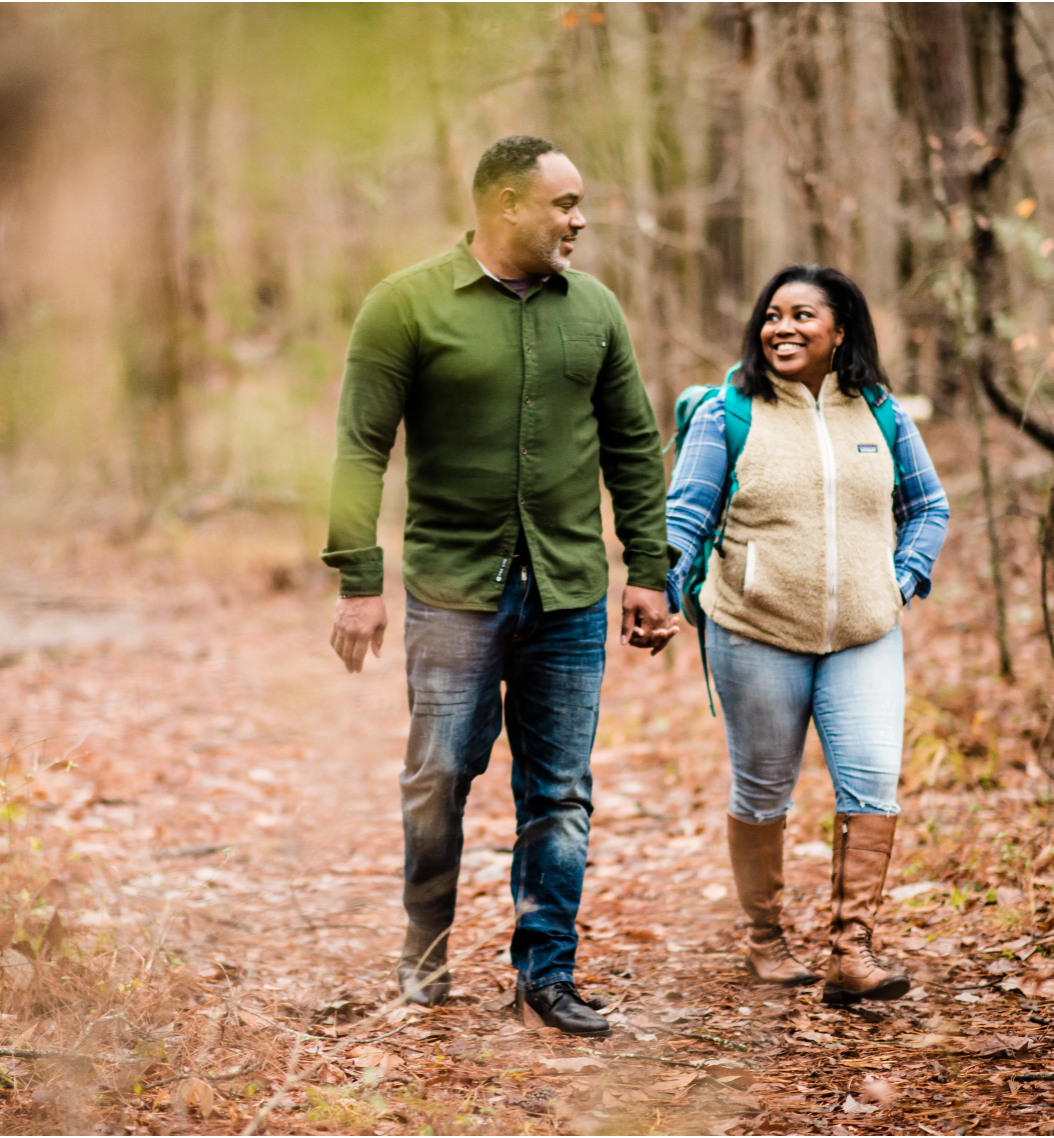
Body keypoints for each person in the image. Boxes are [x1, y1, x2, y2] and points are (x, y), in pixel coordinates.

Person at [321, 135, 677, 1036]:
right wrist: (359, 580)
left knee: (558, 792)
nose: (580, 220)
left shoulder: (594, 309)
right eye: (565, 204)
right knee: (438, 777)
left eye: (580, 203)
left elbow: (635, 446)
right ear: (507, 205)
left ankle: (546, 974)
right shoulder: (404, 306)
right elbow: (362, 448)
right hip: (454, 593)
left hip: (568, 593)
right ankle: (426, 949)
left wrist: (649, 571)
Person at [663, 265, 949, 1005]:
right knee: (762, 792)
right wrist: (663, 590)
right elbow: (684, 516)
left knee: (872, 783)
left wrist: (903, 578)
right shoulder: (730, 411)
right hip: (756, 632)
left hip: (864, 632)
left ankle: (852, 951)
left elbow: (929, 507)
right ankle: (765, 941)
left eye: (802, 315)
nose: (781, 327)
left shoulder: (880, 413)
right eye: (772, 315)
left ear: (840, 330)